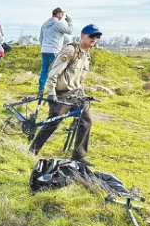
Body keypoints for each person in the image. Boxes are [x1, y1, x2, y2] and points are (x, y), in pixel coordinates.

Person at [29, 24, 102, 164]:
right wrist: (51, 93)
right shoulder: (70, 50)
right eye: (91, 36)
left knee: (86, 122)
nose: (94, 39)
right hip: (63, 94)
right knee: (52, 123)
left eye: (97, 37)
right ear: (82, 36)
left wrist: (84, 94)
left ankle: (78, 157)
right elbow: (53, 73)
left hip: (78, 94)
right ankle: (32, 151)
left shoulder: (86, 54)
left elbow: (80, 78)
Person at [38, 8, 74, 96]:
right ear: (58, 14)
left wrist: (44, 46)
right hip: (54, 50)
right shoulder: (58, 24)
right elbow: (69, 31)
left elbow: (40, 38)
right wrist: (70, 22)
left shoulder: (45, 24)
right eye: (62, 13)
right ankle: (54, 90)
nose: (62, 16)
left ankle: (41, 89)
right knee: (55, 71)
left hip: (44, 50)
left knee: (44, 70)